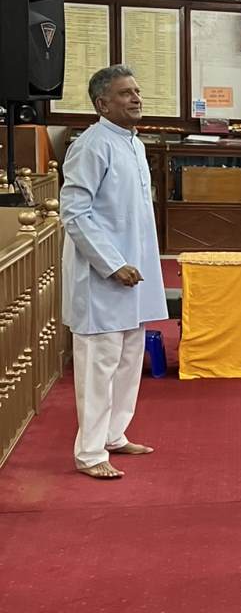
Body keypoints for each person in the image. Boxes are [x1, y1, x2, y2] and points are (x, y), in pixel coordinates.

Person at [59, 65, 168, 481]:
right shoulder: (91, 146)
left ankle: (113, 434)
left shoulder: (134, 143)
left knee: (128, 359)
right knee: (98, 365)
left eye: (137, 91)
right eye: (126, 93)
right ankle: (89, 453)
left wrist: (130, 265)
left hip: (134, 273)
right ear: (102, 103)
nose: (136, 98)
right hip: (102, 277)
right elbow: (75, 213)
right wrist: (112, 263)